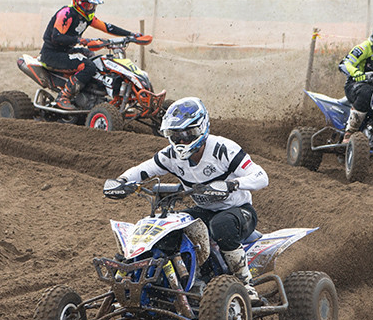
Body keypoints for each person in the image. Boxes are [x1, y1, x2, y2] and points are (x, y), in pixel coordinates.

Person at [114, 97, 269, 301]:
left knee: (221, 224)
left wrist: (232, 184)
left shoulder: (223, 149)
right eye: (176, 135)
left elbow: (261, 177)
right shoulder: (171, 155)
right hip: (204, 210)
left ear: (202, 127)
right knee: (168, 227)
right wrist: (121, 181)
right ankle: (183, 281)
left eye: (188, 134)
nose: (182, 141)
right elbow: (142, 170)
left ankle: (245, 284)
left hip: (239, 211)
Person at [40, 0, 141, 110]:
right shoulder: (66, 13)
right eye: (87, 5)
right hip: (51, 54)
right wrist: (81, 40)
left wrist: (131, 35)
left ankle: (90, 93)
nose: (90, 8)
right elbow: (56, 36)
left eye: (92, 5)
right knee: (88, 66)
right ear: (78, 2)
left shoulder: (88, 17)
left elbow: (107, 27)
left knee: (93, 57)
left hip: (66, 51)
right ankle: (63, 96)